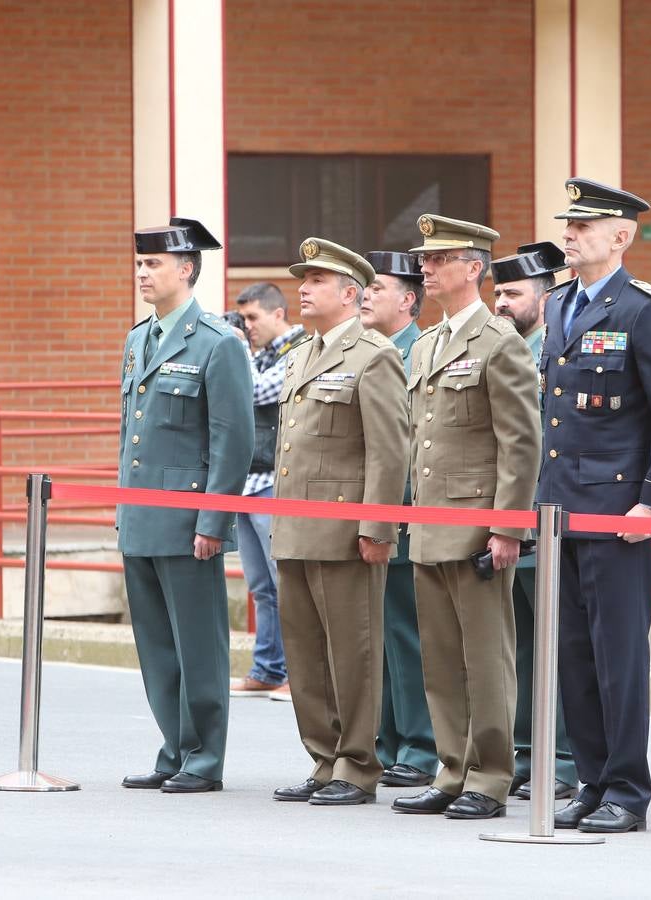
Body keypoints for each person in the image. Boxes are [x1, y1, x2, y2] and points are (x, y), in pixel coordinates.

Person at [537, 178, 651, 833]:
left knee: (618, 657)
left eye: (583, 227)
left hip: (617, 514)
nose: (569, 236)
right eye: (567, 225)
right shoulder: (556, 305)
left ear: (621, 236)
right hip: (561, 510)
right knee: (573, 654)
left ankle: (628, 789)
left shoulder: (643, 310)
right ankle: (591, 778)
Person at [392, 214, 540, 821]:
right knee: (441, 656)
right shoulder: (427, 343)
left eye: (438, 259)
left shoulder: (500, 340)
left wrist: (507, 525)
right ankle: (450, 769)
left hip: (477, 524)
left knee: (485, 658)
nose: (425, 269)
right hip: (429, 522)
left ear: (473, 267)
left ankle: (490, 775)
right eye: (424, 260)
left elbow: (519, 441)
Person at [269, 238, 410, 806]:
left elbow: (388, 450)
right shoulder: (302, 354)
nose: (303, 288)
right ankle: (323, 758)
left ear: (350, 293)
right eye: (303, 279)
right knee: (303, 652)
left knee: (352, 651)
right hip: (296, 526)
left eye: (316, 280)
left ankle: (356, 763)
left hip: (345, 532)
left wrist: (377, 527)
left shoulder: (374, 355)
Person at [118, 220, 254, 794]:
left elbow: (233, 440)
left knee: (198, 644)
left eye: (155, 265)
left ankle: (203, 757)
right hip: (142, 515)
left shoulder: (218, 342)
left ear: (187, 270)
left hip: (189, 520)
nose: (144, 273)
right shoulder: (136, 339)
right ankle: (173, 747)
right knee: (155, 644)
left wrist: (214, 521)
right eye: (140, 264)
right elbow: (132, 431)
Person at [490, 241, 580, 800]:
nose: (501, 303)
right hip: (512, 520)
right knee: (522, 646)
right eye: (496, 292)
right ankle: (526, 754)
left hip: (548, 518)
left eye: (513, 294)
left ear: (544, 299)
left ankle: (563, 761)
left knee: (557, 643)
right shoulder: (509, 349)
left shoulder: (555, 350)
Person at [361, 250, 438, 789]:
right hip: (370, 514)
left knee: (412, 637)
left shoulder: (423, 352)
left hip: (410, 513)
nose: (365, 295)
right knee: (379, 635)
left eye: (378, 287)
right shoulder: (365, 352)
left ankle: (420, 745)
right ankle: (384, 742)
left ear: (408, 300)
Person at [230, 281, 306, 697]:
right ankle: (268, 667)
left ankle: (301, 674)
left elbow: (253, 392)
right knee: (261, 585)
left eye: (253, 317)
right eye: (242, 319)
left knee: (286, 583)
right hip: (247, 481)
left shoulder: (298, 353)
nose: (247, 326)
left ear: (279, 314)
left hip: (276, 481)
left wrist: (236, 348)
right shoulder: (259, 355)